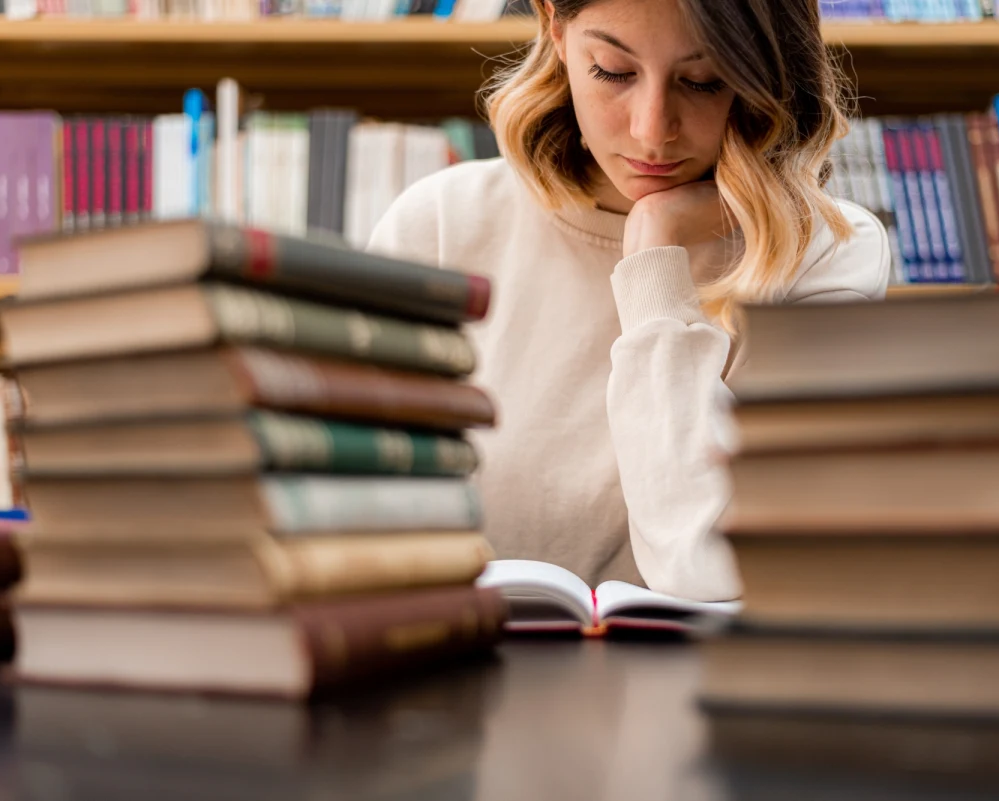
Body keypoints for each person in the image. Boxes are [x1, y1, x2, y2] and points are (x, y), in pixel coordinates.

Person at [368, 0, 890, 602]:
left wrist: (653, 263)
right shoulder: (439, 225)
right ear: (555, 29)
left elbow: (709, 566)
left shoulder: (824, 253)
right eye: (614, 71)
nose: (652, 130)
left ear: (764, 76)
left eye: (703, 81)